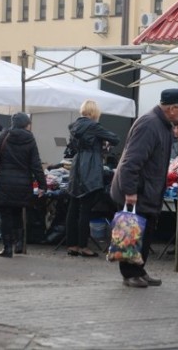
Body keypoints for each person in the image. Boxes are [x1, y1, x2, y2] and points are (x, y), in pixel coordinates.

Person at [110, 88, 178, 288]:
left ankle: (139, 269)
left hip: (148, 190)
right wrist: (130, 191)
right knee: (132, 232)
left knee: (144, 234)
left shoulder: (162, 125)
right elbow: (131, 162)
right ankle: (130, 274)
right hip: (139, 190)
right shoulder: (150, 124)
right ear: (172, 108)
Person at [0, 112, 47, 258]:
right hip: (23, 182)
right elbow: (36, 164)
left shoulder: (3, 135)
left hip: (5, 181)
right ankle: (19, 244)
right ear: (25, 124)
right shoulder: (30, 138)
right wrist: (42, 185)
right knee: (18, 212)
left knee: (5, 215)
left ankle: (7, 248)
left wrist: (1, 162)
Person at [66, 100, 120, 257]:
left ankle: (72, 245)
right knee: (86, 208)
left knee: (73, 206)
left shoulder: (74, 126)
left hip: (76, 166)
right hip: (90, 166)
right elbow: (115, 138)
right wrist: (103, 142)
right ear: (94, 113)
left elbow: (73, 148)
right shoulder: (94, 126)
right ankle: (83, 246)